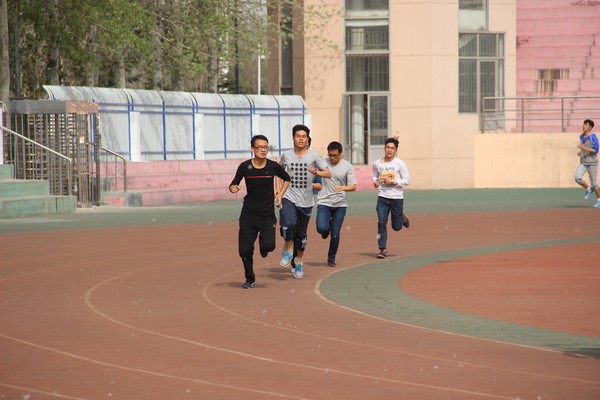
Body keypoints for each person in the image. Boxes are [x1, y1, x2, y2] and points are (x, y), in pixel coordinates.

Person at [229, 135, 290, 288]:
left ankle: (263, 245)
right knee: (245, 250)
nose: (263, 150)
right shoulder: (245, 167)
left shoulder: (272, 166)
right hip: (248, 214)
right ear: (253, 149)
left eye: (265, 147)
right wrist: (233, 188)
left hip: (267, 214)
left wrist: (280, 195)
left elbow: (287, 178)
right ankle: (250, 278)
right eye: (260, 147)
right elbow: (234, 183)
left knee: (269, 246)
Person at [277, 124, 331, 279]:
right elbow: (278, 171)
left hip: (306, 201)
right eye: (298, 136)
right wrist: (279, 190)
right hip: (289, 196)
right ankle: (289, 251)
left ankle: (299, 261)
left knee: (301, 235)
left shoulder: (314, 157)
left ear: (307, 139)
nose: (300, 139)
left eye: (303, 136)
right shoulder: (286, 155)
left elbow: (328, 173)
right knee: (288, 224)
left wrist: (317, 172)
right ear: (293, 138)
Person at [313, 141, 356, 267]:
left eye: (335, 155)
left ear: (341, 154)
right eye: (330, 155)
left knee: (335, 234)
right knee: (322, 228)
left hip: (340, 204)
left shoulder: (347, 166)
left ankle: (331, 258)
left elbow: (353, 186)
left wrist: (343, 188)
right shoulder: (322, 163)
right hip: (324, 202)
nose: (332, 158)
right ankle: (326, 228)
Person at [372, 137, 410, 259]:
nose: (389, 150)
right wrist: (375, 181)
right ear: (384, 148)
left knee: (396, 227)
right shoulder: (377, 163)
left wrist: (393, 181)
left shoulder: (400, 164)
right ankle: (382, 249)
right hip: (382, 197)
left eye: (392, 148)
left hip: (396, 198)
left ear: (396, 150)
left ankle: (401, 218)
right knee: (381, 222)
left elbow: (407, 180)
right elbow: (374, 175)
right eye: (388, 147)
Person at [575, 119, 600, 208]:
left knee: (594, 183)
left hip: (592, 163)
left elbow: (596, 150)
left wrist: (584, 149)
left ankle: (599, 200)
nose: (584, 126)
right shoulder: (581, 136)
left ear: (590, 127)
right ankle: (588, 189)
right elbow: (584, 148)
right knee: (577, 177)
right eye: (583, 124)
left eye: (586, 125)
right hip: (583, 162)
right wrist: (581, 152)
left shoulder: (593, 137)